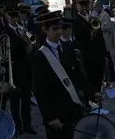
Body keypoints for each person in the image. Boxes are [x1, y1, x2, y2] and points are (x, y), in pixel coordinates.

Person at [32, 10, 98, 139]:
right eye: (54, 29)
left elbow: (78, 76)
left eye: (60, 28)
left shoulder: (68, 48)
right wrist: (50, 117)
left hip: (73, 109)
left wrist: (92, 93)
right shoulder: (40, 56)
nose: (59, 32)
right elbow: (40, 91)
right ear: (45, 30)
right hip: (56, 114)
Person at [5, 7, 36, 135]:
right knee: (14, 102)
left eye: (16, 16)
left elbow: (29, 50)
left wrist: (28, 41)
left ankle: (27, 125)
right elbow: (10, 50)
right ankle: (17, 126)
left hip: (25, 69)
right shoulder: (5, 32)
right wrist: (22, 39)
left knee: (26, 100)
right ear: (8, 17)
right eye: (12, 16)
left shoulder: (22, 30)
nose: (15, 19)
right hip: (14, 70)